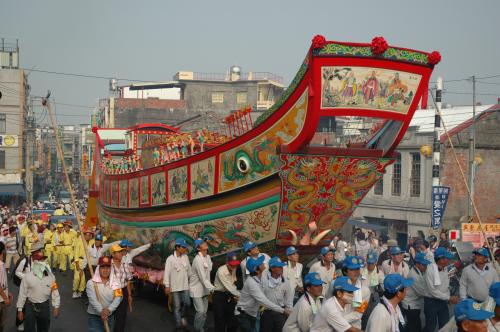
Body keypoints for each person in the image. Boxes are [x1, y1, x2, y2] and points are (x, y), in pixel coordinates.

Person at [235, 255, 290, 332]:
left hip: (250, 314)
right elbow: (263, 301)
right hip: (244, 315)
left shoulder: (258, 279)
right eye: (260, 264)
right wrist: (283, 311)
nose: (263, 263)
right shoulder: (251, 283)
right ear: (257, 270)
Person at [16, 242, 60, 332]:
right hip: (30, 305)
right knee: (29, 328)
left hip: (44, 306)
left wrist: (56, 306)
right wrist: (20, 309)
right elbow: (22, 293)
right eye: (40, 259)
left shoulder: (50, 276)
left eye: (43, 259)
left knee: (43, 328)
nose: (43, 262)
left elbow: (55, 291)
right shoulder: (27, 275)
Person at [424, 247, 460, 332]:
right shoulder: (430, 270)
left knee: (445, 325)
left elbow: (445, 286)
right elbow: (433, 291)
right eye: (447, 258)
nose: (449, 260)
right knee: (430, 326)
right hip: (431, 302)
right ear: (441, 259)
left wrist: (447, 298)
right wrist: (449, 298)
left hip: (442, 301)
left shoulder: (445, 268)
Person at [86, 256, 123, 332]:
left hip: (110, 316)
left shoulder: (116, 282)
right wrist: (101, 311)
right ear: (98, 268)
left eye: (108, 267)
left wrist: (108, 310)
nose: (105, 270)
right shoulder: (91, 283)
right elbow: (92, 300)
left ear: (111, 269)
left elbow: (118, 298)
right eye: (103, 267)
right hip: (95, 317)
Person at [260, 257, 294, 332]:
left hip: (281, 313)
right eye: (279, 267)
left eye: (281, 266)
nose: (281, 268)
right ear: (272, 268)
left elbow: (289, 300)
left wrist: (289, 312)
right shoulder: (264, 280)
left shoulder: (286, 282)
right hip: (267, 313)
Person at [163, 238, 191, 327]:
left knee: (187, 303)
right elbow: (166, 273)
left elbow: (189, 271)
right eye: (183, 247)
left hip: (185, 285)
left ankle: (183, 316)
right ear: (177, 247)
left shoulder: (186, 257)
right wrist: (167, 286)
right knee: (177, 306)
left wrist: (192, 281)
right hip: (175, 287)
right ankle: (179, 325)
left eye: (185, 247)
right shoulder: (170, 259)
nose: (185, 249)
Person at [401, 252, 431, 332]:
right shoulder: (414, 276)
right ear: (417, 264)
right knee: (416, 327)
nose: (426, 266)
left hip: (414, 303)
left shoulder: (420, 271)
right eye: (424, 264)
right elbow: (423, 292)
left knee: (411, 325)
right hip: (410, 305)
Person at [189, 238, 215, 332]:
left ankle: (201, 328)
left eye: (204, 242)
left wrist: (209, 288)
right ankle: (197, 329)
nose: (205, 243)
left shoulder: (207, 257)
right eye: (202, 243)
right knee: (200, 311)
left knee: (204, 312)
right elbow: (203, 278)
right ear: (198, 248)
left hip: (205, 289)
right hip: (196, 289)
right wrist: (213, 288)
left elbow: (210, 269)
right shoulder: (197, 260)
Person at [335, 256, 370, 323]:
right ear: (345, 271)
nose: (356, 272)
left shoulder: (365, 290)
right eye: (352, 269)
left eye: (357, 269)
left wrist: (339, 322)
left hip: (353, 325)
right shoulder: (336, 285)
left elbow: (359, 312)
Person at [213, 252, 240, 332]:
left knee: (232, 320)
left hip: (229, 295)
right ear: (227, 263)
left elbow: (233, 282)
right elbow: (230, 288)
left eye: (235, 264)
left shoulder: (233, 268)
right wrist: (242, 296)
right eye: (232, 264)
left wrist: (237, 295)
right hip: (219, 295)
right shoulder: (221, 271)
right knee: (220, 320)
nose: (234, 266)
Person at [109, 244, 132, 332]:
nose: (121, 254)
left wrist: (129, 295)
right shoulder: (108, 265)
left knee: (122, 315)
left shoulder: (125, 264)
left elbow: (128, 280)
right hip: (112, 291)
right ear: (113, 254)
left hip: (123, 290)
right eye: (118, 252)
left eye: (121, 252)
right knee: (111, 314)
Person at [0, 242, 13, 332]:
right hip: (0, 300)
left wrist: (7, 292)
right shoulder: (0, 265)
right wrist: (5, 298)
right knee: (1, 323)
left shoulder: (2, 264)